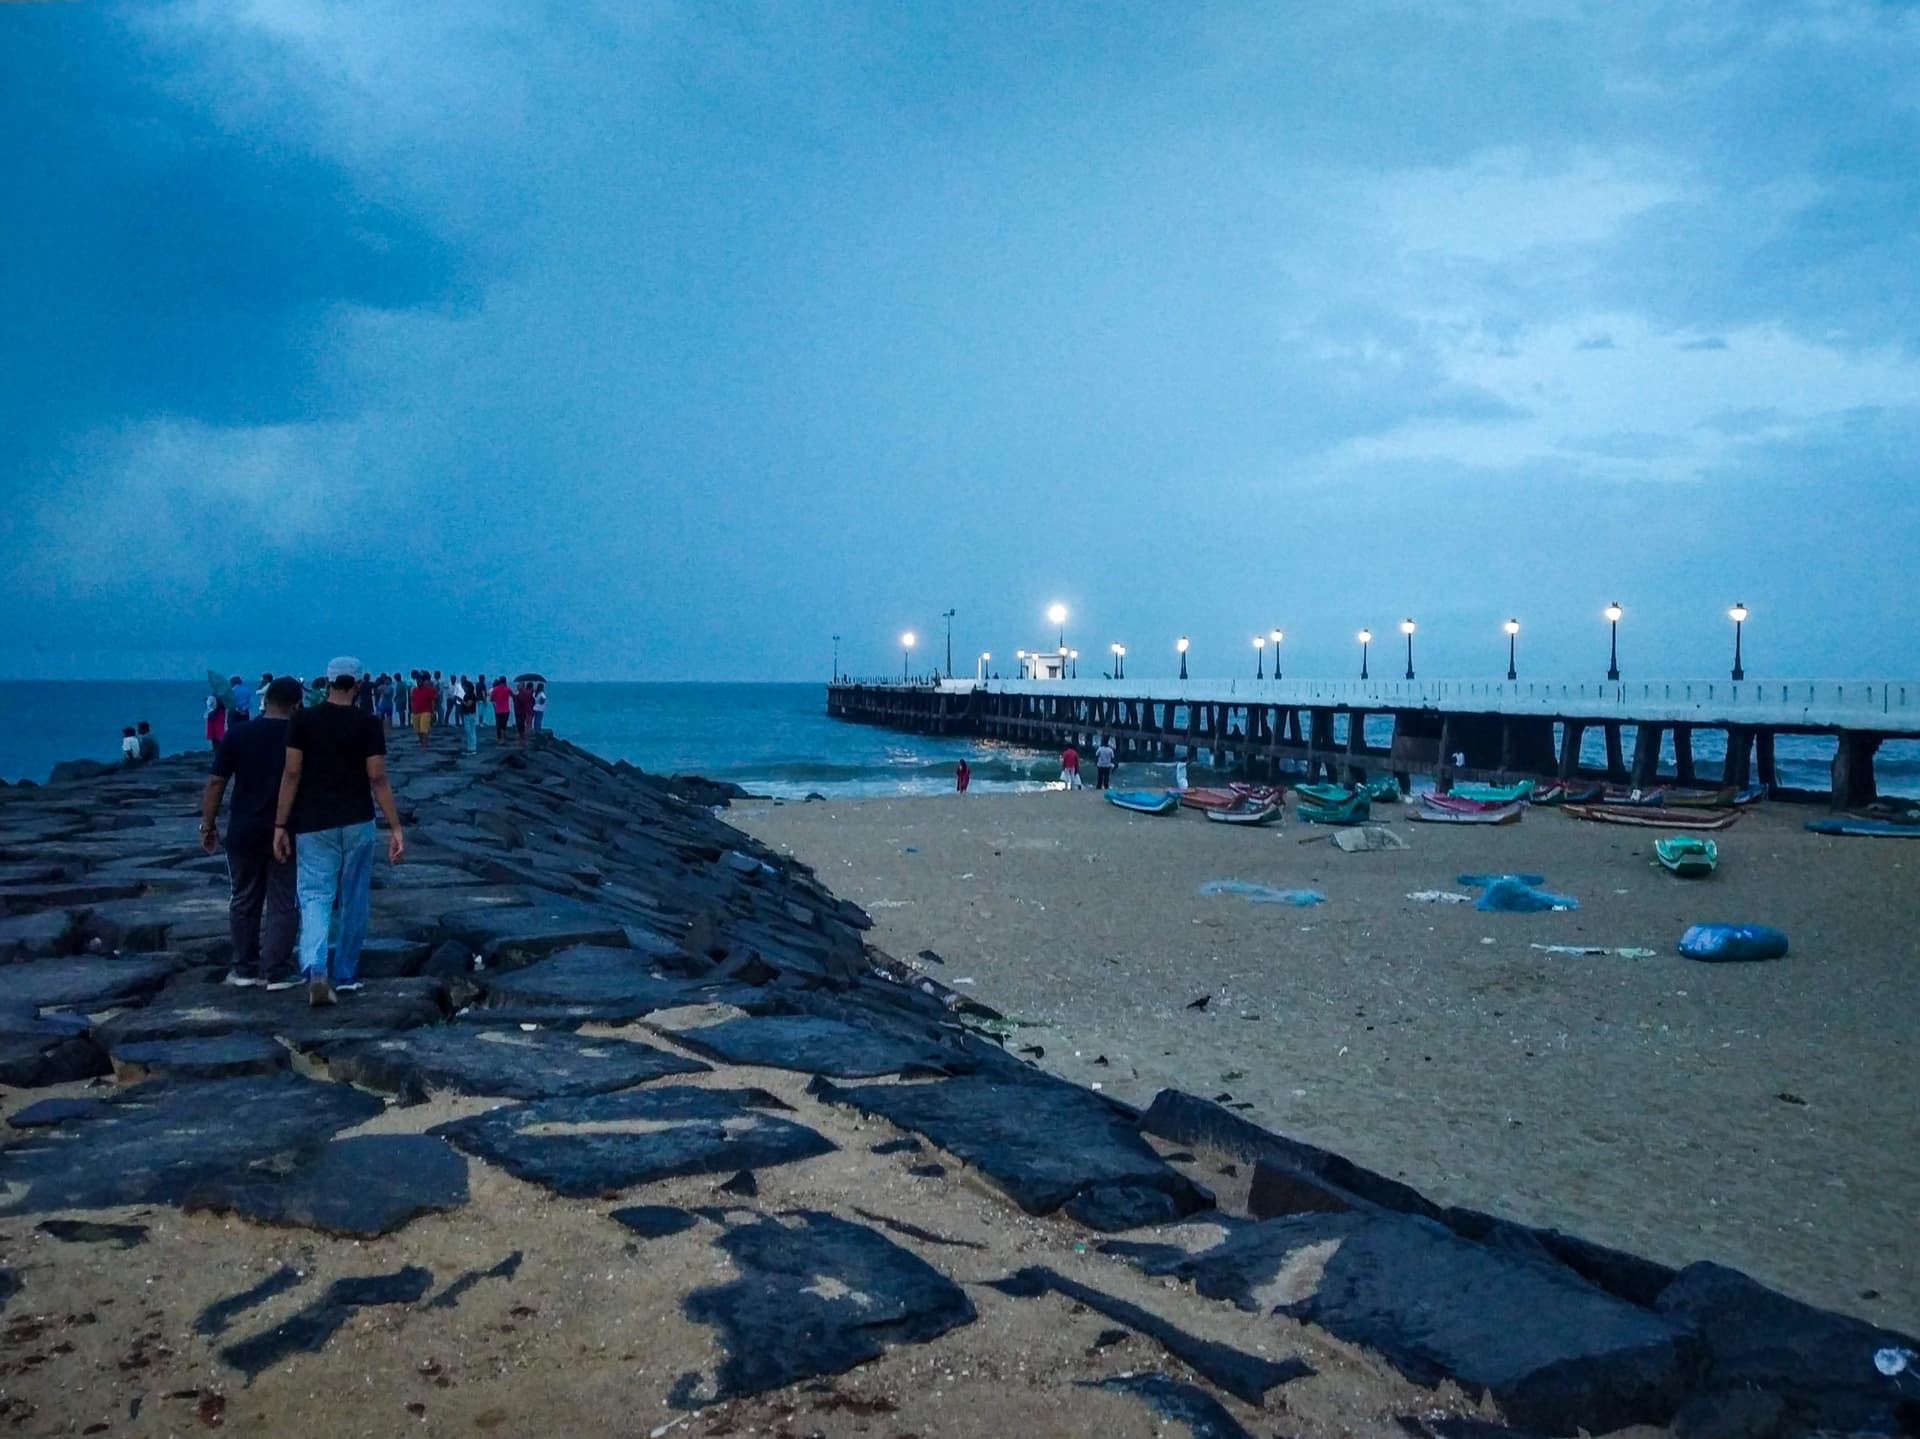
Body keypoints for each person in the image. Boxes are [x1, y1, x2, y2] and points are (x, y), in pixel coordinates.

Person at [272, 658, 405, 1007]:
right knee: (353, 897)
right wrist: (395, 825)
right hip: (357, 819)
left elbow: (291, 774)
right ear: (359, 686)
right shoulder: (368, 723)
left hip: (314, 823)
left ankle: (316, 969)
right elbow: (377, 777)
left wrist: (280, 824)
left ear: (327, 684)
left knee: (315, 895)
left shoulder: (302, 720)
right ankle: (346, 974)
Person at [202, 677, 303, 990]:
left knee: (244, 898)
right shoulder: (300, 737)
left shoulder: (239, 734)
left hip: (244, 828)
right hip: (287, 829)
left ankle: (244, 967)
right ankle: (278, 970)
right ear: (297, 705)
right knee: (283, 900)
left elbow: (217, 782)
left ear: (266, 700)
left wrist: (208, 823)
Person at [408, 670, 437, 750]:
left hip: (426, 711)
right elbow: (412, 701)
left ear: (423, 681)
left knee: (424, 729)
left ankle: (424, 745)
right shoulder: (414, 690)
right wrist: (411, 710)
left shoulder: (428, 689)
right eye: (417, 681)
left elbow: (432, 701)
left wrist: (433, 711)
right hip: (416, 712)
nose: (418, 682)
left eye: (420, 681)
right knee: (417, 730)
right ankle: (422, 742)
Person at [459, 674, 480, 754]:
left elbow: (469, 704)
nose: (463, 688)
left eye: (464, 687)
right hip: (468, 714)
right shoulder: (468, 695)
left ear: (467, 687)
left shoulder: (471, 695)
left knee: (470, 731)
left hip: (470, 714)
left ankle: (472, 748)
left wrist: (462, 701)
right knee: (469, 731)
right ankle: (470, 747)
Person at [512, 680, 535, 746]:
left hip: (522, 712)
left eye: (519, 686)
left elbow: (521, 701)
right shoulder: (526, 694)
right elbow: (532, 702)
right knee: (523, 726)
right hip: (522, 711)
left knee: (522, 726)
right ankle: (523, 740)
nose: (517, 687)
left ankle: (523, 740)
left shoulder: (522, 694)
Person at [490, 675, 511, 741]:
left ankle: (499, 738)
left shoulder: (495, 689)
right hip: (506, 710)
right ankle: (504, 737)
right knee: (504, 725)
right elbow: (513, 696)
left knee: (498, 725)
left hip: (498, 710)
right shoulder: (507, 689)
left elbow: (491, 699)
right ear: (505, 681)